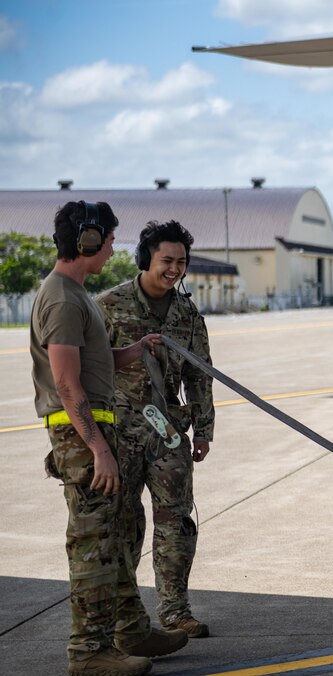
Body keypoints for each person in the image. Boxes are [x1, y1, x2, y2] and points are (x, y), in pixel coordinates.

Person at [31, 200, 189, 676]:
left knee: (115, 535)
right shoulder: (62, 299)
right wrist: (99, 448)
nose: (114, 249)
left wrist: (134, 350)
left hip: (97, 430)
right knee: (94, 543)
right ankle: (88, 649)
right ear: (88, 240)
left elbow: (91, 363)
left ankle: (131, 631)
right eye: (110, 240)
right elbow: (66, 383)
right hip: (83, 435)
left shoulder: (76, 295)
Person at [98, 220, 214, 639]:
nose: (174, 269)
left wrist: (203, 429)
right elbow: (87, 368)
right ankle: (124, 617)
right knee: (123, 523)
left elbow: (200, 375)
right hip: (120, 432)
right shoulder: (109, 306)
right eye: (167, 260)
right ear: (146, 258)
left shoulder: (188, 314)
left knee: (176, 521)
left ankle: (175, 611)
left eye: (181, 262)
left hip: (167, 433)